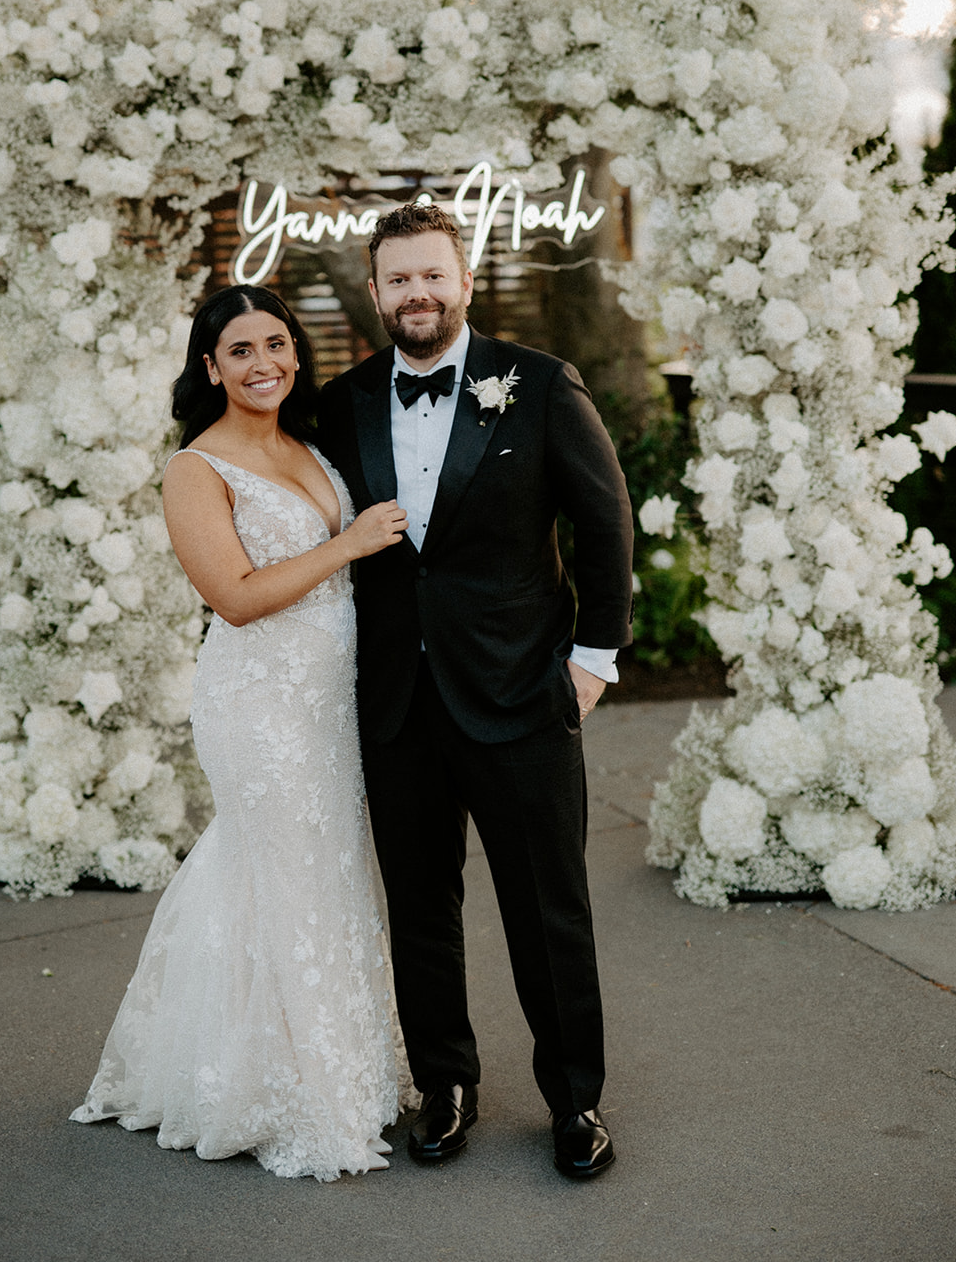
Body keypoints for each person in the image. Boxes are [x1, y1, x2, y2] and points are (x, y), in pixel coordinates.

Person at [315, 202, 634, 1179]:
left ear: (463, 279)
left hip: (520, 697)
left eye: (431, 275)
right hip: (398, 705)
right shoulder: (344, 399)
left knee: (548, 908)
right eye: (397, 279)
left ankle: (573, 1099)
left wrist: (591, 662)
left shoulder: (537, 385)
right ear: (374, 293)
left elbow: (603, 521)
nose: (416, 293)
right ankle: (444, 1084)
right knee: (417, 906)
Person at [71, 284, 412, 1181]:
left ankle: (334, 1069)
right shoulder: (197, 467)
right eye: (240, 351)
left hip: (329, 696)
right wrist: (349, 543)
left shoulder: (307, 443)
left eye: (277, 344)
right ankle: (276, 1092)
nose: (264, 363)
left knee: (328, 867)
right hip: (257, 702)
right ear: (210, 368)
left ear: (295, 352)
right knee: (279, 869)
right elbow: (234, 596)